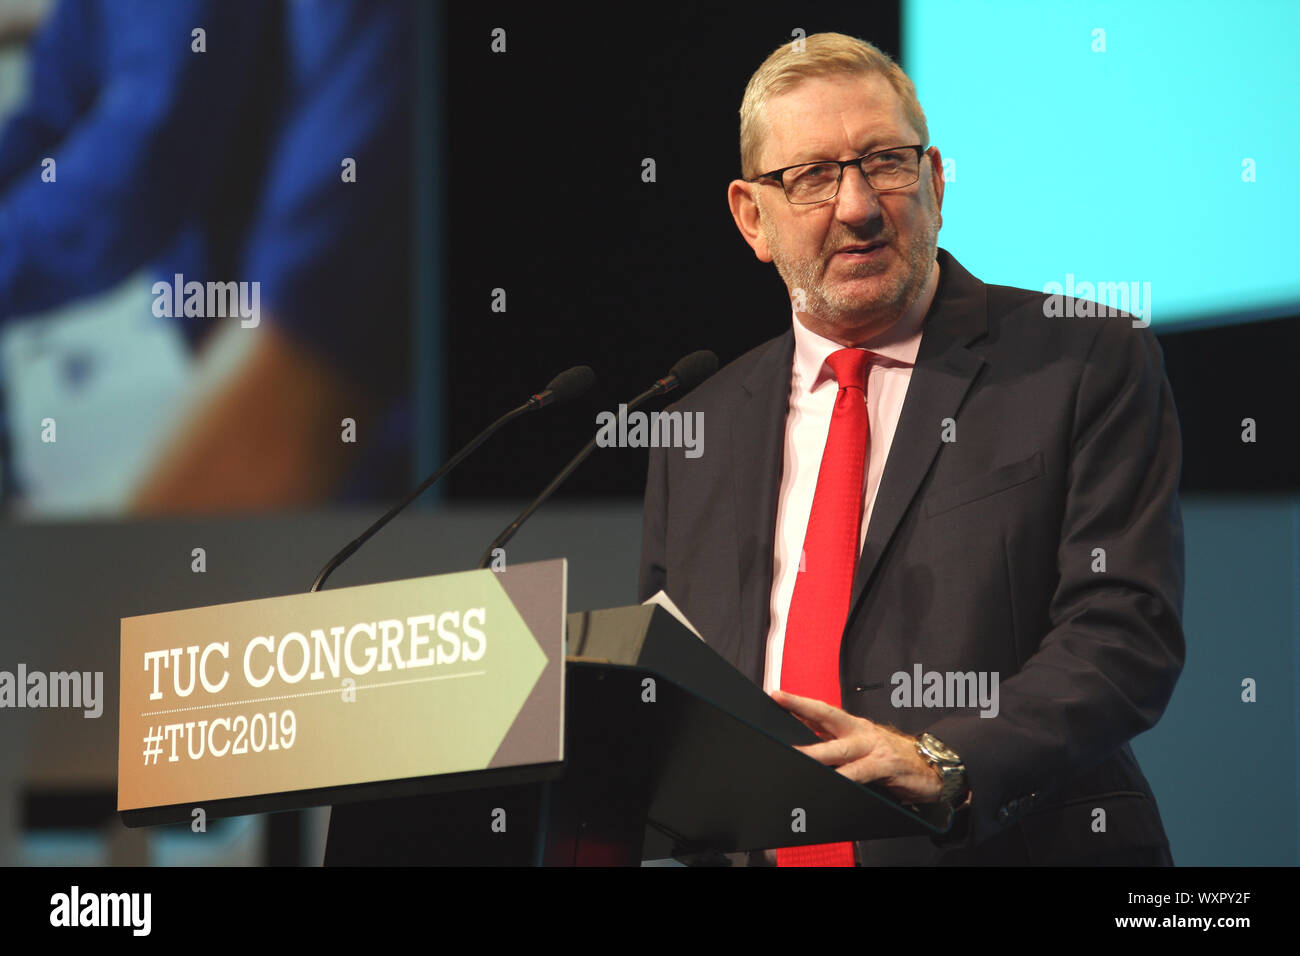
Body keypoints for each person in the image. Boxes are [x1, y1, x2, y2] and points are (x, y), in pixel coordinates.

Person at [638, 33, 1185, 866]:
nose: (857, 206)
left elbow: (1123, 632)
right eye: (812, 177)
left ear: (934, 181)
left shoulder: (1079, 358)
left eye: (885, 163)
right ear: (753, 217)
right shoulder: (697, 430)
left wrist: (949, 764)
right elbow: (670, 688)